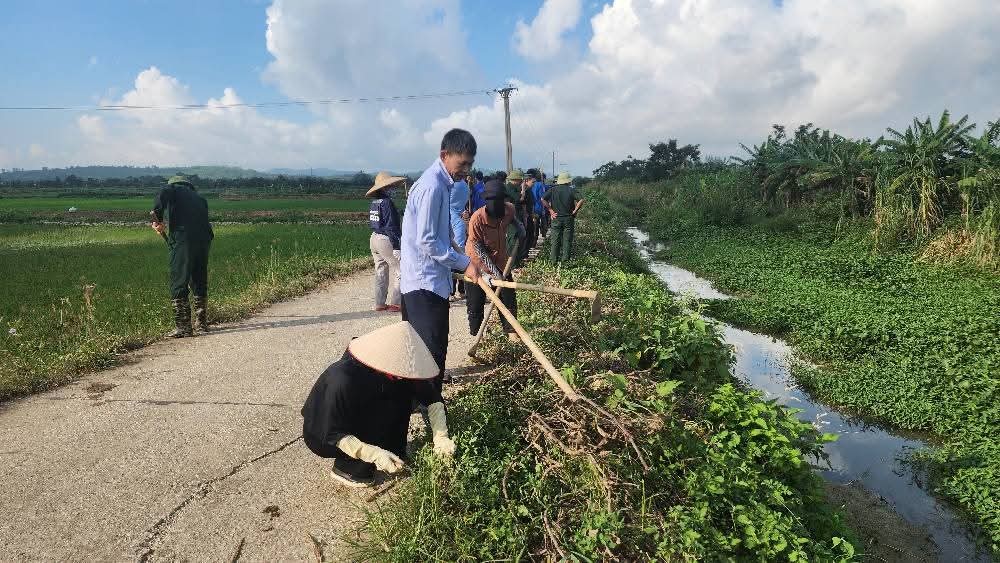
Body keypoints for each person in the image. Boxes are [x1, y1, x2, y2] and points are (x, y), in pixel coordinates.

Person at [301, 321, 457, 488]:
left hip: (365, 410)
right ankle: (349, 468)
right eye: (399, 373)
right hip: (324, 435)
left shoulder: (403, 369)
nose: (403, 375)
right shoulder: (341, 379)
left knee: (400, 395)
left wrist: (441, 436)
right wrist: (372, 453)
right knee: (378, 416)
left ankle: (393, 451)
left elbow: (431, 397)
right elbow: (330, 430)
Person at [400, 128, 480, 392]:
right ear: (445, 155)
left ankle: (421, 404)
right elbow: (428, 241)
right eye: (462, 163)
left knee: (423, 351)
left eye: (470, 163)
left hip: (428, 281)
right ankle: (432, 414)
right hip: (425, 284)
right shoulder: (433, 186)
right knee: (430, 353)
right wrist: (463, 263)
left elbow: (442, 234)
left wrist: (465, 257)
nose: (466, 170)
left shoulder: (443, 183)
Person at [150, 175, 214, 337]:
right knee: (199, 279)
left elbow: (163, 192)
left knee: (179, 279)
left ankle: (184, 327)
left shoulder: (174, 189)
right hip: (204, 240)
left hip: (184, 239)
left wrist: (157, 217)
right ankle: (201, 324)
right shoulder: (200, 199)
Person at [465, 179, 525, 341]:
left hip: (500, 259)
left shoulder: (509, 209)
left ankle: (511, 332)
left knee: (508, 297)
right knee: (475, 302)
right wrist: (494, 274)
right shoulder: (477, 219)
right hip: (475, 263)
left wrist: (521, 230)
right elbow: (478, 249)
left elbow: (516, 223)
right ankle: (478, 336)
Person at [367, 171, 406, 312]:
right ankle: (396, 302)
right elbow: (391, 226)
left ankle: (379, 303)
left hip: (374, 238)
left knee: (381, 270)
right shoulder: (387, 203)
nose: (393, 188)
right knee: (401, 269)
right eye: (391, 186)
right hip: (385, 239)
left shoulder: (374, 203)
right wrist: (397, 246)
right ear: (385, 188)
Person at [542, 171, 585, 263]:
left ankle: (553, 261)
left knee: (555, 240)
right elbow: (581, 200)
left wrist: (550, 210)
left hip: (556, 218)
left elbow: (543, 199)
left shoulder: (553, 190)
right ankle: (565, 261)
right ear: (568, 181)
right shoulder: (571, 190)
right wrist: (575, 210)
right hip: (568, 218)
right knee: (567, 240)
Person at [449, 172, 471, 300]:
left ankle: (451, 292)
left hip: (454, 218)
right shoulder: (464, 186)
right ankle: (461, 291)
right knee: (461, 256)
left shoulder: (449, 185)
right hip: (459, 220)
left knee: (451, 260)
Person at [532, 171, 550, 240]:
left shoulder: (531, 184)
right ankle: (543, 234)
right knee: (543, 222)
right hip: (539, 208)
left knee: (534, 226)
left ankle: (533, 242)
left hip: (532, 208)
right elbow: (542, 198)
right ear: (543, 178)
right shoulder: (541, 185)